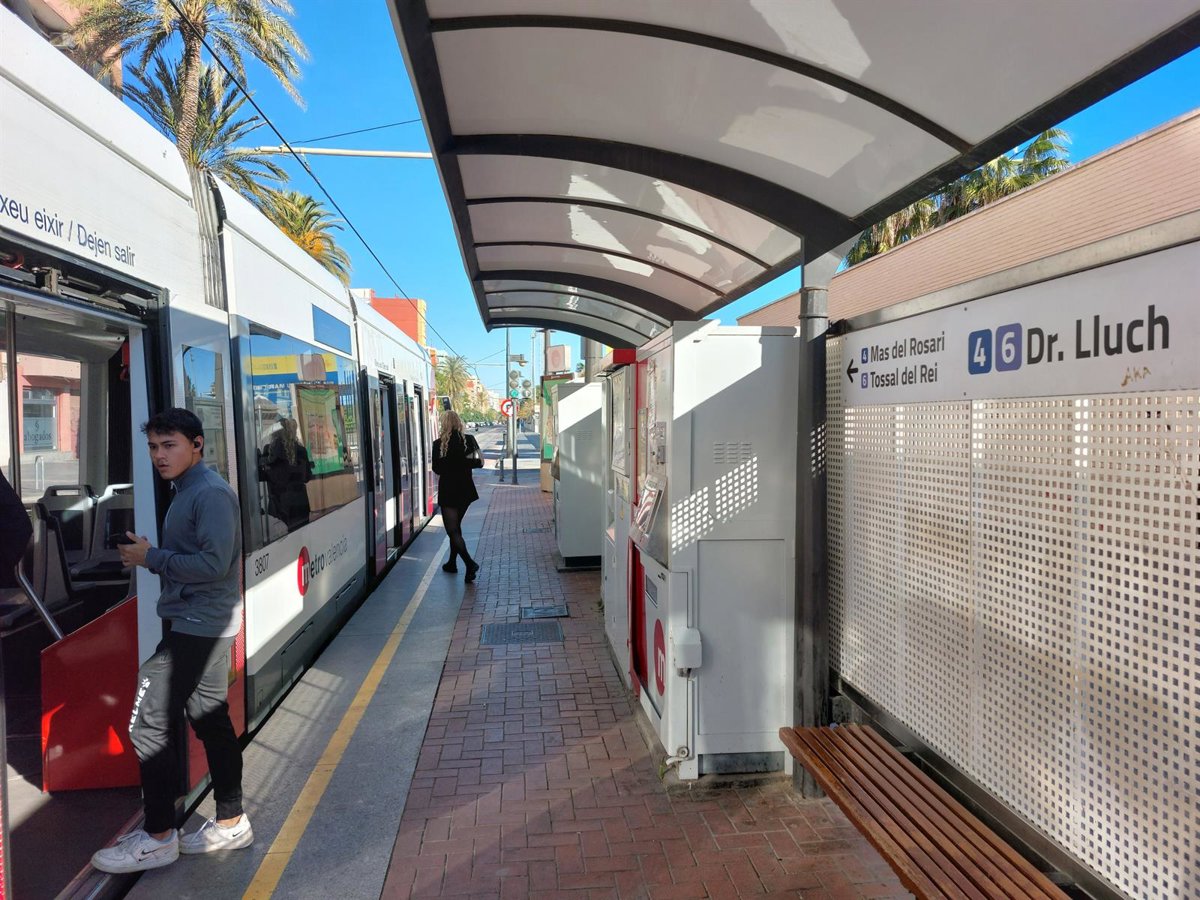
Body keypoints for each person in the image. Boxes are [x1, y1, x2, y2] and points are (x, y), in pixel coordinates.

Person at [91, 408, 252, 874]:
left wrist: (153, 557)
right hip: (203, 621)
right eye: (153, 447)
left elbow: (214, 565)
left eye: (169, 445)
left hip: (200, 624)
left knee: (148, 722)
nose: (160, 455)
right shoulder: (188, 490)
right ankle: (231, 822)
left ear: (197, 444)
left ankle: (159, 836)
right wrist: (150, 554)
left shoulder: (209, 493)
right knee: (209, 718)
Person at [432, 409, 483, 582]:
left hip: (448, 490)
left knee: (452, 530)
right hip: (465, 489)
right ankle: (452, 563)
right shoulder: (469, 440)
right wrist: (464, 463)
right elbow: (480, 462)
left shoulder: (438, 444)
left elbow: (436, 469)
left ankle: (469, 563)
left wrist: (449, 465)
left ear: (444, 424)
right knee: (456, 529)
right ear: (459, 423)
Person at [260, 417, 313, 532]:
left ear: (274, 433)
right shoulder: (300, 450)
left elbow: (264, 475)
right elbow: (307, 477)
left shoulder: (269, 451)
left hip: (279, 505)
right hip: (300, 504)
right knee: (301, 538)